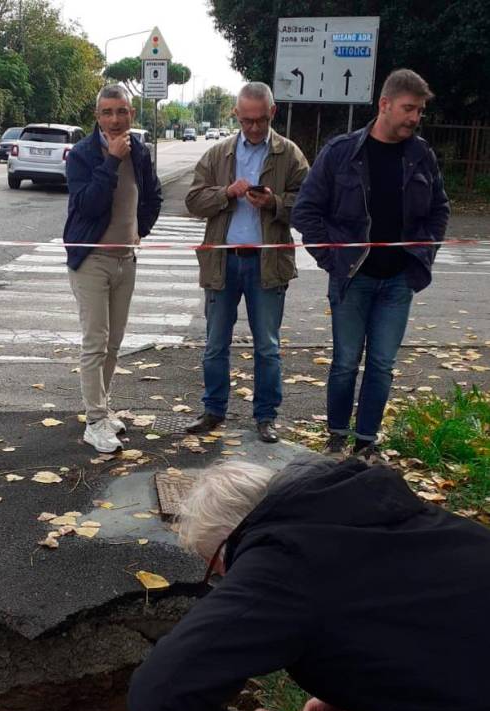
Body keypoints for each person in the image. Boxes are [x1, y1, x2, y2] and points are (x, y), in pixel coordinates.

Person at [127, 455, 490, 711]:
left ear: (228, 545)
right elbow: (413, 624)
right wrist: (346, 692)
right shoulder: (390, 515)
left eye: (217, 571)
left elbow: (158, 696)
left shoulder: (282, 561)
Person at [292, 69, 450, 459]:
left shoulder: (420, 154)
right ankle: (336, 438)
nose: (414, 118)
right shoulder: (341, 152)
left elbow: (439, 210)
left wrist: (424, 253)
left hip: (398, 281)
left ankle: (366, 443)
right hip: (352, 279)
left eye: (419, 111)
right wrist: (332, 258)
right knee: (345, 362)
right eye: (408, 108)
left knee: (382, 365)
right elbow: (305, 212)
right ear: (384, 104)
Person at [185, 82, 309, 443]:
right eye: (246, 120)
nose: (253, 128)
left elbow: (311, 203)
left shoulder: (289, 154)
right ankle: (213, 410)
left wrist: (275, 203)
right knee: (215, 344)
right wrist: (226, 194)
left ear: (273, 113)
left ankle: (266, 417)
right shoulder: (219, 154)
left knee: (267, 346)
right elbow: (193, 201)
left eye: (260, 120)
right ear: (236, 116)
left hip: (266, 264)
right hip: (223, 262)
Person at [64, 84, 162, 453]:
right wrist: (110, 162)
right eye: (107, 112)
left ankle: (102, 412)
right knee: (95, 342)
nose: (115, 119)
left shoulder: (141, 152)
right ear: (97, 116)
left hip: (126, 259)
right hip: (91, 260)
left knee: (114, 344)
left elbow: (152, 196)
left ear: (131, 114)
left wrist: (141, 231)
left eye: (121, 111)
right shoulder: (82, 154)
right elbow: (87, 206)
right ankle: (94, 421)